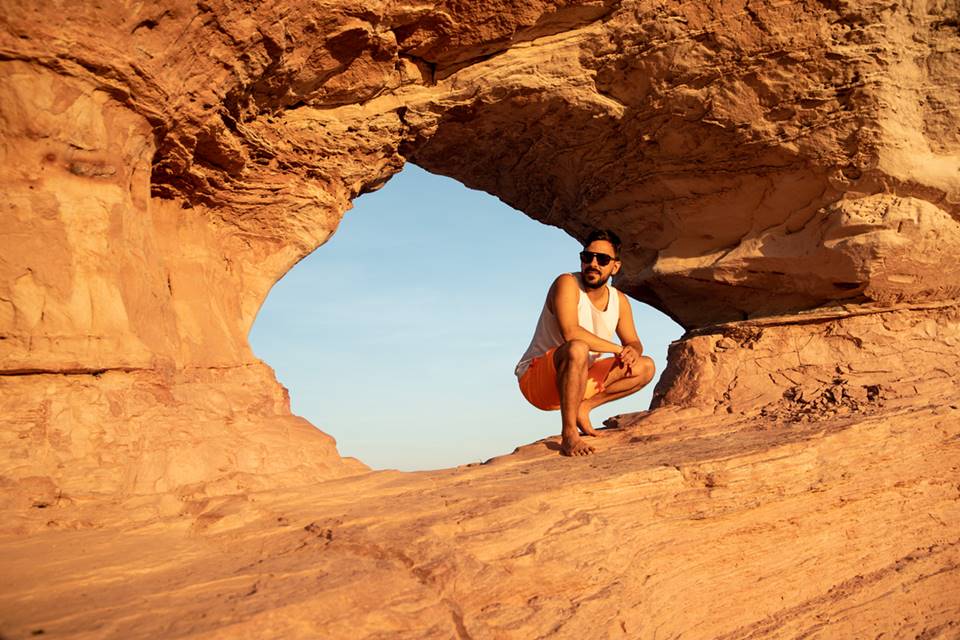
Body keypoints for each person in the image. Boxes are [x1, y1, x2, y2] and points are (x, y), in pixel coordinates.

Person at [515, 229, 656, 456]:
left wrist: (632, 351)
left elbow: (634, 342)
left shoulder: (620, 301)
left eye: (602, 259)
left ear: (615, 267)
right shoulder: (567, 283)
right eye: (587, 257)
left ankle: (584, 408)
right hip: (539, 380)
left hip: (581, 377)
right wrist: (618, 349)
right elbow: (571, 333)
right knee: (578, 347)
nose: (593, 264)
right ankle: (569, 434)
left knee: (645, 366)